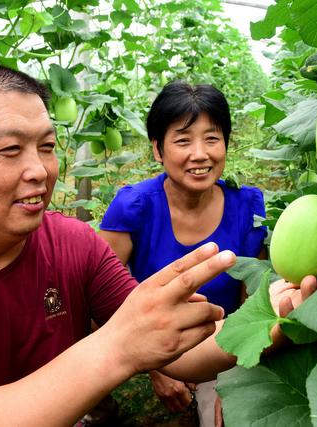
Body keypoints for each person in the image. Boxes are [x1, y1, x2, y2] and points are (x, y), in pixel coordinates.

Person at [0, 64, 317, 427]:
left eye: (48, 147)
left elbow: (180, 351)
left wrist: (272, 322)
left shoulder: (75, 245)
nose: (40, 169)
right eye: (10, 150)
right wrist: (114, 349)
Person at [98, 81, 266, 425]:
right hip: (144, 352)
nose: (200, 153)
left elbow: (254, 306)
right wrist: (157, 369)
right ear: (158, 149)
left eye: (212, 138)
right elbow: (102, 302)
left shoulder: (249, 205)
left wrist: (237, 378)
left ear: (227, 144)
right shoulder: (134, 207)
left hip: (221, 350)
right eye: (183, 140)